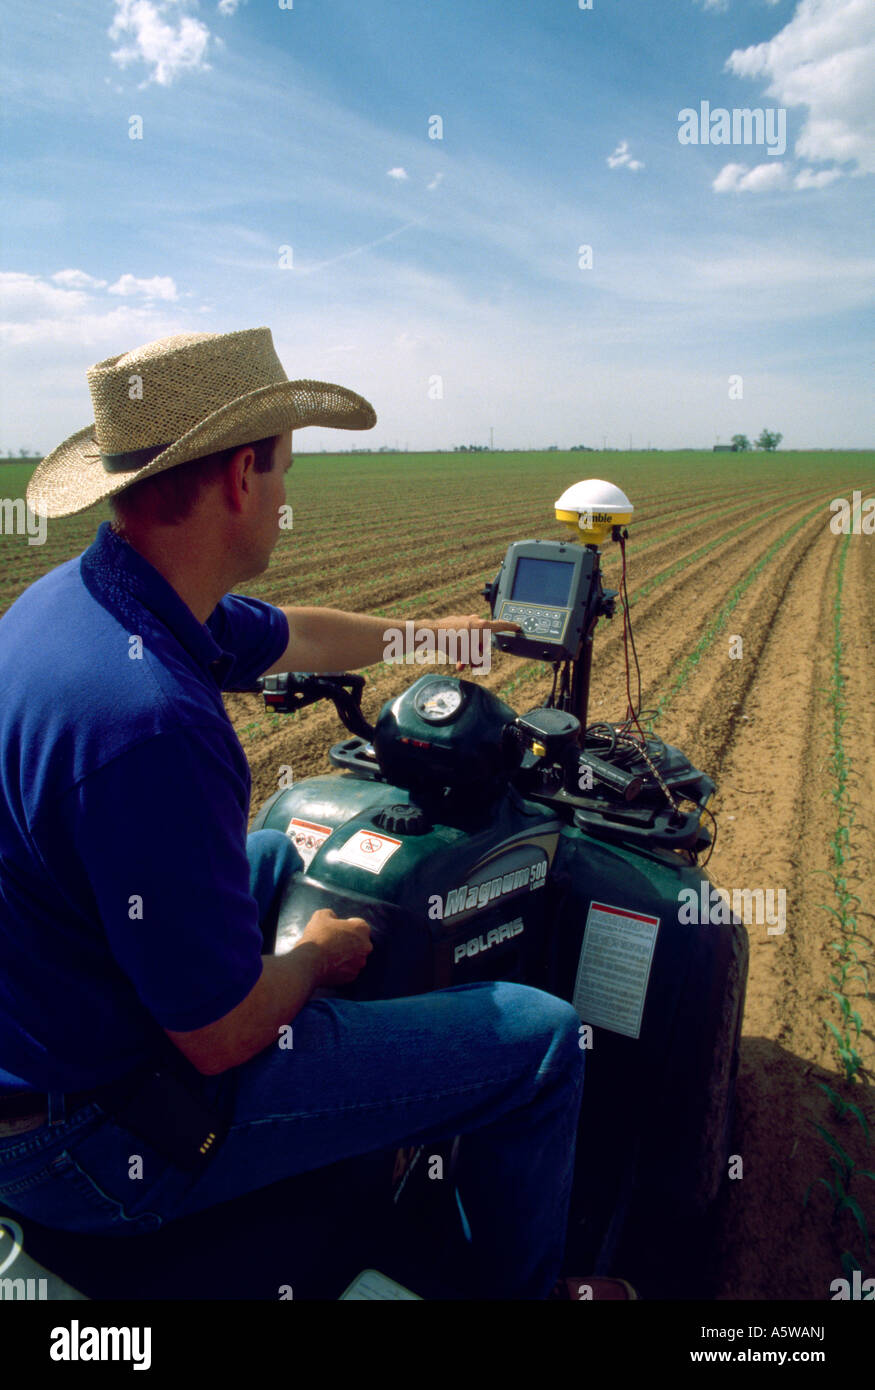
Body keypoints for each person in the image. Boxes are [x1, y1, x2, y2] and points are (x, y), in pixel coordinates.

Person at [0, 327, 627, 1300]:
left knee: (272, 853)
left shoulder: (90, 606)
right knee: (542, 1042)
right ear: (241, 476)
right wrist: (311, 959)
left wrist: (443, 633)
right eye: (283, 470)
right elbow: (217, 1039)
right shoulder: (154, 719)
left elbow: (295, 634)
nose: (289, 498)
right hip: (95, 1137)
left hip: (43, 1026)